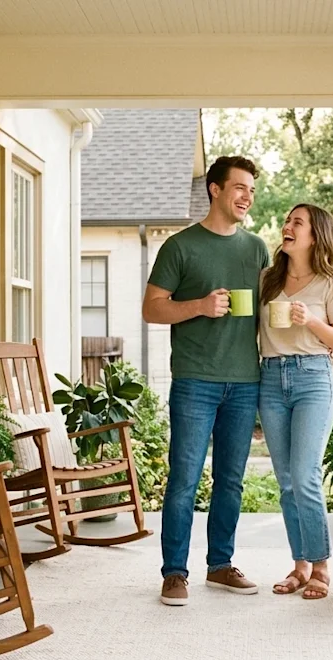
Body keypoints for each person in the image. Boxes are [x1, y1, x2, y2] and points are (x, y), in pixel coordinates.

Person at [142, 156, 271, 606]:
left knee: (231, 481)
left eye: (251, 190)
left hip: (245, 381)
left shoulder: (257, 249)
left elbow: (270, 310)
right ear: (215, 189)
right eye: (239, 188)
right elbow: (151, 308)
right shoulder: (180, 246)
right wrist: (199, 305)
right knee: (184, 480)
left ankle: (220, 566)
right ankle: (174, 573)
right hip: (195, 381)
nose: (247, 197)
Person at [257, 203, 333, 601]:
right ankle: (300, 565)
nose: (287, 226)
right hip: (269, 378)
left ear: (315, 236)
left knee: (305, 474)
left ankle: (321, 566)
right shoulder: (267, 279)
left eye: (297, 222)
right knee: (286, 481)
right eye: (287, 220)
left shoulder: (331, 283)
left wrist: (310, 320)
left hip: (313, 378)